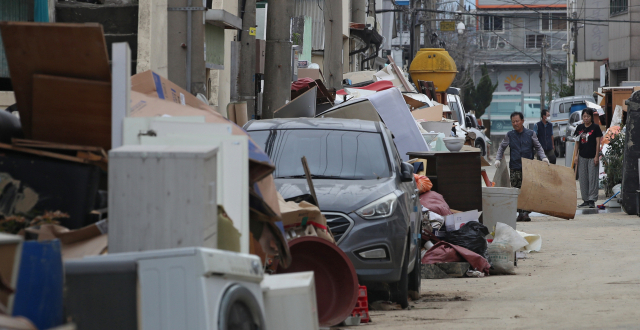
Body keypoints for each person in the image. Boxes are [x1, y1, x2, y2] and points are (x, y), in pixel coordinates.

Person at [494, 112, 549, 222]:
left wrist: (543, 158)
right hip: (515, 167)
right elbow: (501, 148)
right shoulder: (509, 135)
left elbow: (538, 147)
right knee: (516, 191)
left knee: (528, 190)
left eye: (517, 121)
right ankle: (520, 213)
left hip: (528, 167)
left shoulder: (531, 134)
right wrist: (497, 159)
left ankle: (526, 213)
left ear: (522, 121)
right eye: (513, 122)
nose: (515, 123)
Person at [573, 108, 603, 208]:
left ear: (591, 117)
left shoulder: (595, 127)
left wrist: (596, 156)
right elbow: (577, 142)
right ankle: (585, 199)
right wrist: (576, 156)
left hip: (592, 156)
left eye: (588, 116)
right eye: (584, 116)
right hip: (582, 156)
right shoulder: (579, 127)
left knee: (592, 178)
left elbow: (598, 142)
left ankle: (592, 200)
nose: (586, 118)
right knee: (583, 178)